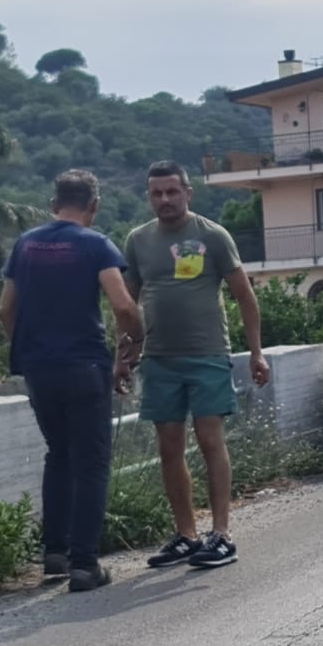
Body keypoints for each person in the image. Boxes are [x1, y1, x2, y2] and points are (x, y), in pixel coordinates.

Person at [0, 170, 145, 593]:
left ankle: (54, 555)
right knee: (91, 463)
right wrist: (136, 341)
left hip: (39, 370)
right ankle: (84, 564)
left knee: (58, 455)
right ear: (94, 206)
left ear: (53, 203)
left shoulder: (25, 244)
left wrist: (27, 351)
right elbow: (122, 304)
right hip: (84, 366)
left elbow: (5, 310)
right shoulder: (95, 244)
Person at [119, 161, 270, 571]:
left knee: (210, 441)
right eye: (157, 193)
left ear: (188, 192)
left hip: (207, 355)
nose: (165, 200)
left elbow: (244, 296)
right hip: (159, 360)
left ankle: (221, 534)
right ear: (149, 196)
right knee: (168, 448)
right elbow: (128, 304)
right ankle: (186, 535)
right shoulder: (138, 240)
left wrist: (256, 352)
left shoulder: (212, 236)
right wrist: (124, 355)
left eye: (172, 191)